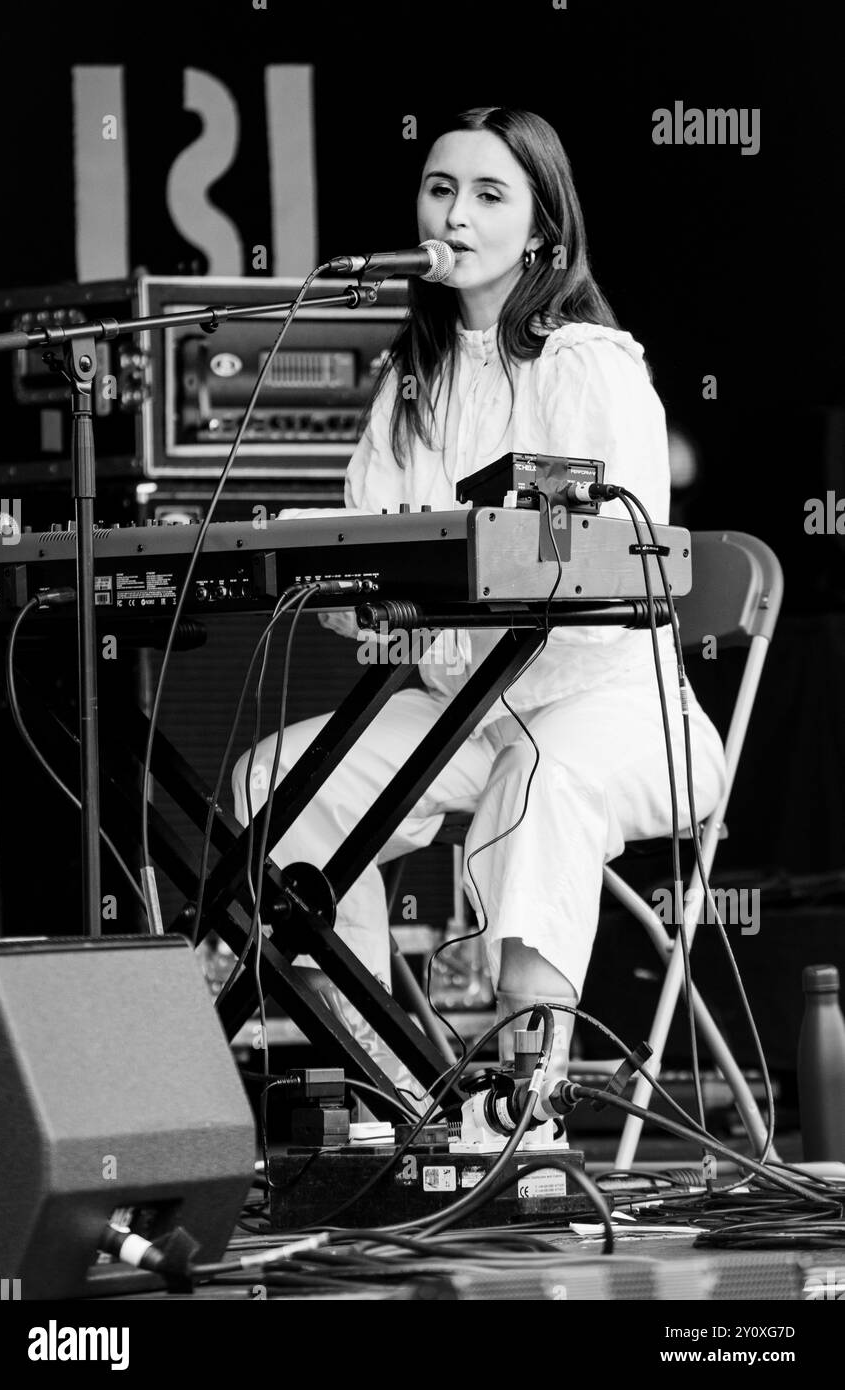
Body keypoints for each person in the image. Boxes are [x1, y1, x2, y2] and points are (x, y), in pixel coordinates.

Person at [232, 106, 727, 1101]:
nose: (455, 214)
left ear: (545, 231)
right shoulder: (407, 383)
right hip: (465, 711)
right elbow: (373, 557)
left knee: (540, 776)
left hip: (615, 709)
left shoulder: (592, 364)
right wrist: (355, 604)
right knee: (273, 783)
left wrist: (459, 578)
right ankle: (381, 1081)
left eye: (489, 194)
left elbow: (610, 559)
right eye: (440, 188)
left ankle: (527, 1101)